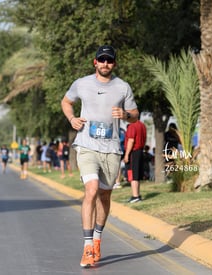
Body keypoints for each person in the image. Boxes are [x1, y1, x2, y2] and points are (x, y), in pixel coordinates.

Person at [61, 45, 139, 268]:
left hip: (112, 149)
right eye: (102, 59)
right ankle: (87, 247)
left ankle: (97, 240)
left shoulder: (123, 87)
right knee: (91, 190)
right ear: (95, 62)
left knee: (104, 196)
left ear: (114, 63)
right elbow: (66, 102)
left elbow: (135, 115)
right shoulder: (82, 83)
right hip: (86, 146)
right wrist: (72, 119)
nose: (105, 63)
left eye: (110, 60)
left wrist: (125, 114)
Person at [123, 119, 147, 203]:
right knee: (137, 174)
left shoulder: (132, 125)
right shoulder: (142, 125)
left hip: (133, 152)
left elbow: (131, 140)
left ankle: (135, 196)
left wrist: (126, 154)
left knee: (133, 174)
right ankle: (137, 195)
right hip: (140, 151)